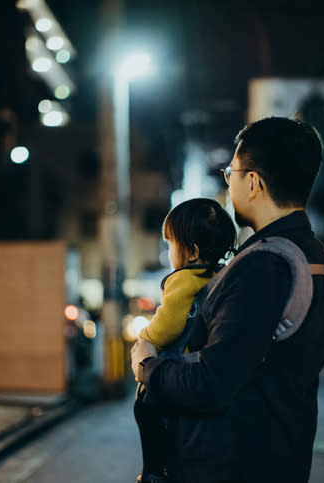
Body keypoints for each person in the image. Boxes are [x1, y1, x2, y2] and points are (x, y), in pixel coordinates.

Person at [131, 116, 324, 483]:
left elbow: (212, 383)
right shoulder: (314, 257)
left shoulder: (262, 267)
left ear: (254, 182)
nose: (228, 183)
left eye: (232, 172)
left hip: (229, 467)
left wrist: (148, 366)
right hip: (279, 459)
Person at [133, 197, 237, 483]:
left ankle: (153, 472)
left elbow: (166, 327)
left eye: (170, 245)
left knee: (145, 409)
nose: (169, 253)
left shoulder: (183, 281)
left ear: (190, 252)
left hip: (175, 366)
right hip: (196, 370)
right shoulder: (222, 278)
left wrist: (145, 339)